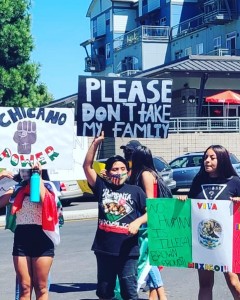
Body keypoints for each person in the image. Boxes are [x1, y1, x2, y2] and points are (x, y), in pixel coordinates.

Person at [83, 132, 147, 300]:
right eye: (115, 169)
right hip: (104, 250)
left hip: (128, 251)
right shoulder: (102, 187)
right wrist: (95, 143)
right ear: (108, 172)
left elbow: (151, 212)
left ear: (128, 171)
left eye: (122, 169)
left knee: (129, 291)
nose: (119, 172)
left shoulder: (136, 191)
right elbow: (87, 166)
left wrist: (138, 222)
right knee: (105, 292)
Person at [179, 145, 240, 300]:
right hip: (204, 243)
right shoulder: (198, 180)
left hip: (229, 243)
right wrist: (184, 201)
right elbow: (191, 205)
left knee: (233, 282)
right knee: (205, 284)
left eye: (212, 158)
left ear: (223, 160)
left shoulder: (235, 181)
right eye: (206, 157)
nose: (207, 161)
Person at [0, 165, 60, 300]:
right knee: (25, 287)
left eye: (29, 168)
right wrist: (1, 177)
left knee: (41, 287)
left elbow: (44, 200)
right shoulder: (16, 188)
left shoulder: (49, 186)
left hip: (43, 237)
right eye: (24, 168)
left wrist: (36, 177)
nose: (26, 171)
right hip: (22, 238)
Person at [129, 145, 168, 300]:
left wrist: (143, 220)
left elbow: (150, 200)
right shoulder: (149, 173)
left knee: (148, 260)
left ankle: (162, 294)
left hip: (147, 221)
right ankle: (155, 296)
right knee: (150, 259)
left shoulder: (145, 174)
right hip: (148, 219)